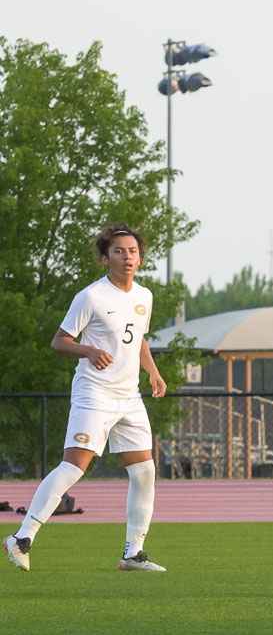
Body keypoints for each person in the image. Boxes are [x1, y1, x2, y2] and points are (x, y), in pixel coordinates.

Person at [4, 225, 168, 573]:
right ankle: (21, 537)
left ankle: (133, 554)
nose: (128, 257)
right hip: (94, 394)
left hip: (129, 397)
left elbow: (137, 338)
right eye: (120, 251)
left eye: (133, 251)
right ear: (105, 256)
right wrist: (88, 351)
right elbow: (59, 341)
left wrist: (152, 371)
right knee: (73, 467)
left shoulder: (144, 296)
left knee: (144, 472)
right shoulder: (91, 296)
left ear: (140, 256)